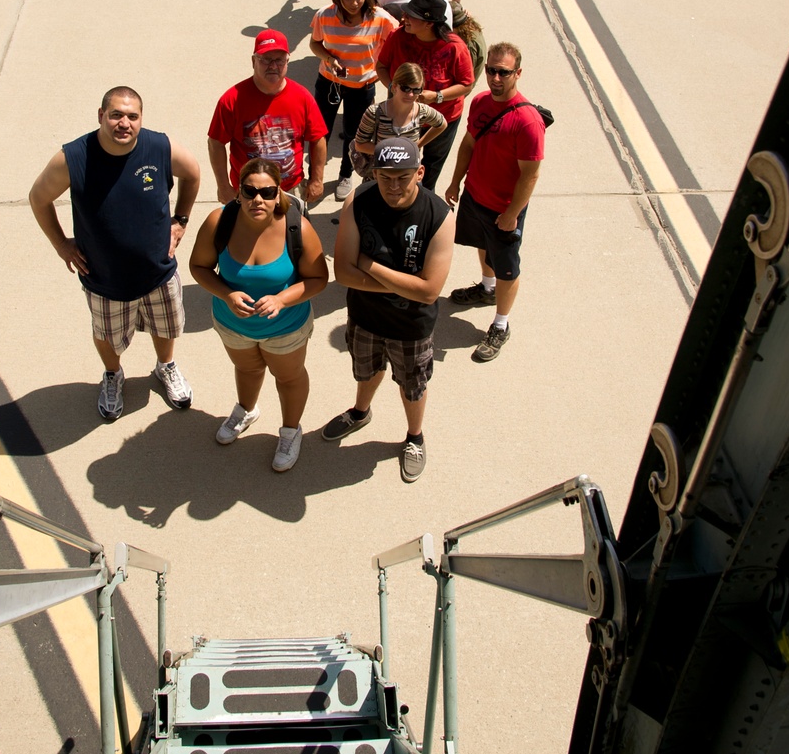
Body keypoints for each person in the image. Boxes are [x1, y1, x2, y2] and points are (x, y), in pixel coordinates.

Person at [29, 86, 200, 421]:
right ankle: (113, 374)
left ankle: (165, 367)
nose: (125, 123)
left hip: (158, 273)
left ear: (141, 119)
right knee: (106, 335)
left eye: (132, 116)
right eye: (116, 115)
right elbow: (38, 198)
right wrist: (62, 243)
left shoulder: (159, 147)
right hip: (104, 281)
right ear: (101, 116)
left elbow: (192, 174)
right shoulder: (73, 158)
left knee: (166, 327)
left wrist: (180, 220)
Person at [326, 136, 453, 482]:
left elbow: (429, 291)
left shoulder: (439, 215)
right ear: (375, 173)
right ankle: (360, 411)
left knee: (412, 384)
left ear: (420, 173)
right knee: (366, 371)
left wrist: (367, 264)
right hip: (365, 317)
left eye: (403, 177)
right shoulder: (359, 200)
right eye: (386, 177)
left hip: (411, 327)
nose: (393, 186)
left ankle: (414, 436)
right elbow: (341, 273)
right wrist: (402, 283)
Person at [190, 158, 328, 472]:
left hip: (285, 328)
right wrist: (227, 293)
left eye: (267, 192)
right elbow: (198, 267)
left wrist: (282, 299)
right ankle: (246, 410)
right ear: (238, 192)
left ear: (280, 193)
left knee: (288, 378)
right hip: (233, 325)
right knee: (247, 369)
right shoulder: (219, 221)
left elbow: (319, 278)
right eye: (249, 191)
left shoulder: (297, 227)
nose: (258, 200)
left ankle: (291, 431)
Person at [446, 42, 546, 363]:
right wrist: (455, 181)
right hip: (476, 195)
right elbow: (469, 143)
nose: (496, 77)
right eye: (491, 70)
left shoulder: (528, 121)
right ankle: (486, 290)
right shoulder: (479, 102)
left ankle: (501, 324)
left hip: (504, 207)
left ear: (518, 73)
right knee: (481, 243)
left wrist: (512, 213)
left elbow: (530, 175)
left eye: (503, 72)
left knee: (507, 266)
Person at [208, 30, 327, 205]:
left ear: (287, 61)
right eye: (265, 59)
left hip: (289, 189)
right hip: (249, 191)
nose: (273, 66)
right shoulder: (232, 100)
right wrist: (224, 186)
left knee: (292, 232)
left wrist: (317, 179)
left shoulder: (302, 97)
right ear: (253, 61)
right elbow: (215, 142)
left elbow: (318, 138)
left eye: (278, 60)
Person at [309, 0, 397, 201]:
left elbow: (398, 42)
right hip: (329, 83)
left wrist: (383, 69)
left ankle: (345, 174)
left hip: (363, 86)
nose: (354, 2)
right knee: (320, 132)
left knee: (354, 134)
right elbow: (315, 44)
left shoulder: (381, 19)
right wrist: (328, 58)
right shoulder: (324, 16)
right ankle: (314, 176)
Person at [376, 0, 475, 191]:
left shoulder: (454, 47)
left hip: (442, 117)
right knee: (395, 163)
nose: (405, 18)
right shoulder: (398, 36)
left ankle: (422, 201)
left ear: (430, 23)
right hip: (402, 116)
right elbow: (382, 66)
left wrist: (437, 96)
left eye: (412, 16)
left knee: (430, 166)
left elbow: (466, 84)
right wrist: (396, 92)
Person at [351, 64, 446, 177]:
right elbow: (360, 144)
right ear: (394, 87)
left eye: (416, 90)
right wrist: (393, 153)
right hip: (381, 176)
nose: (410, 94)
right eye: (405, 88)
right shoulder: (375, 112)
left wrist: (419, 144)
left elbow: (442, 124)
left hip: (409, 176)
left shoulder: (422, 111)